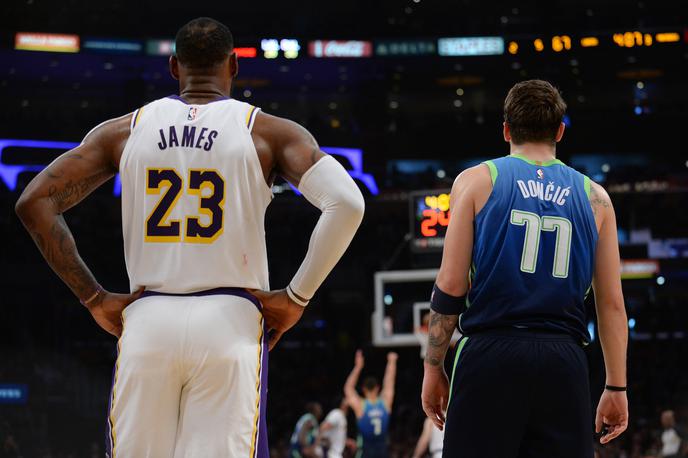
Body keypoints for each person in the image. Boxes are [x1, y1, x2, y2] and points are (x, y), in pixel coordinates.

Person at [15, 17, 364, 458]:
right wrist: (296, 298)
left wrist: (93, 297)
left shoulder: (124, 131)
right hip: (230, 320)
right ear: (234, 66)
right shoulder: (268, 132)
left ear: (174, 67)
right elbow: (348, 204)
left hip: (148, 320)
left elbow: (34, 202)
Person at [421, 79, 629, 458]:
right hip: (562, 359)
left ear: (505, 130)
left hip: (489, 353)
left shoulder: (475, 182)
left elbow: (450, 286)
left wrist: (433, 368)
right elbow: (612, 304)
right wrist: (616, 386)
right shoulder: (597, 198)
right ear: (560, 131)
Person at [344, 350, 397, 458]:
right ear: (377, 388)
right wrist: (392, 361)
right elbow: (389, 382)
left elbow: (348, 388)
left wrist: (358, 366)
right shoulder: (385, 403)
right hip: (383, 452)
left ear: (363, 389)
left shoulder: (361, 406)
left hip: (366, 452)